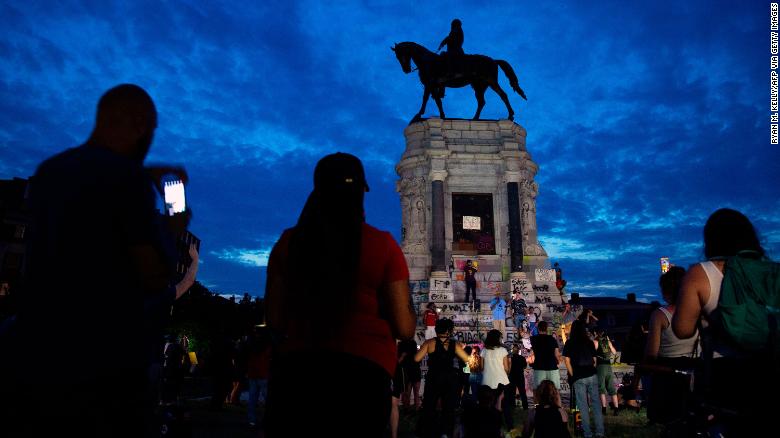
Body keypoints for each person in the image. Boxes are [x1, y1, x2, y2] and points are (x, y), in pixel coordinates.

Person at [0, 84, 194, 437]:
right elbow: (154, 275)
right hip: (102, 364)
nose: (150, 138)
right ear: (139, 124)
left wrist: (144, 172)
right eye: (150, 130)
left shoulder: (49, 172)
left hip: (36, 352)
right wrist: (174, 229)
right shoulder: (126, 179)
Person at [264, 152, 416, 437]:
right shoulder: (382, 245)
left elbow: (274, 319)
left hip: (299, 371)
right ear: (361, 192)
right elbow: (405, 328)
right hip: (362, 376)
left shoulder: (288, 242)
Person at [672, 208, 776, 435]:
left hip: (724, 373)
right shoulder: (769, 270)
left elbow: (682, 330)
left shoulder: (701, 273)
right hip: (768, 368)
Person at [642, 266, 698, 425]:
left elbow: (651, 353)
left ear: (666, 290)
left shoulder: (660, 315)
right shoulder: (699, 312)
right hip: (694, 373)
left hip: (667, 375)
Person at [415, 318, 471, 438]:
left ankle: (428, 431)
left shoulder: (429, 342)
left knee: (429, 406)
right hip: (450, 378)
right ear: (449, 330)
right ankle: (446, 432)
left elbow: (417, 359)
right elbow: (466, 359)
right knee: (448, 407)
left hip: (433, 377)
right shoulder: (454, 344)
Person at [563, 320, 605, 438]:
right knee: (596, 405)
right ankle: (600, 432)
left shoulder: (570, 343)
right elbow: (595, 361)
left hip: (578, 376)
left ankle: (587, 434)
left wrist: (573, 374)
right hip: (591, 374)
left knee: (583, 406)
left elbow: (567, 361)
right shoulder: (589, 342)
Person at [481, 329, 512, 431]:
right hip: (502, 380)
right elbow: (506, 368)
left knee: (487, 406)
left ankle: (488, 426)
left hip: (487, 381)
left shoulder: (484, 351)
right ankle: (509, 426)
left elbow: (481, 367)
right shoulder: (503, 350)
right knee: (506, 405)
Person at [246, 326, 272, 429]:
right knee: (266, 398)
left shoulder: (251, 344)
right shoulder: (266, 344)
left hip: (253, 374)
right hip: (263, 373)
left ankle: (251, 420)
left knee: (252, 398)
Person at [593, 327, 619, 416]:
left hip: (601, 367)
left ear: (596, 333)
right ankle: (616, 409)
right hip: (609, 367)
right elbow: (615, 352)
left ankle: (604, 409)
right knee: (612, 388)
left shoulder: (595, 342)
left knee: (601, 388)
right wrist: (608, 342)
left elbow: (593, 353)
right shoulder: (607, 342)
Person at [531, 321, 562, 389]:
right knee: (555, 390)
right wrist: (559, 362)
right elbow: (557, 354)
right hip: (552, 366)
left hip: (539, 367)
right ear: (547, 328)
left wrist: (534, 327)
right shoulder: (552, 339)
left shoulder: (533, 339)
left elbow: (528, 334)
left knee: (538, 391)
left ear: (538, 328)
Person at [399, 338, 422, 409]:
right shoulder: (416, 352)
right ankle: (415, 409)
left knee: (408, 393)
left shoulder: (402, 346)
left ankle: (408, 409)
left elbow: (399, 362)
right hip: (413, 372)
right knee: (415, 393)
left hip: (408, 372)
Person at [509, 344, 529, 410]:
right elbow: (525, 366)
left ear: (512, 351)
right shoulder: (522, 358)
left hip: (512, 377)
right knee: (522, 392)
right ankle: (525, 407)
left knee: (512, 393)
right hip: (520, 376)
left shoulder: (510, 358)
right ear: (518, 351)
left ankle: (512, 406)